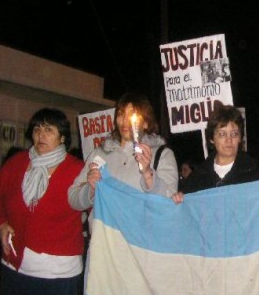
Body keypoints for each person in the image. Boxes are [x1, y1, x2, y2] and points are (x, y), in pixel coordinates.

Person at [0, 108, 84, 295]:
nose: (40, 135)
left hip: (55, 271)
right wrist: (1, 223)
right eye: (37, 129)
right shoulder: (17, 162)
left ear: (62, 136)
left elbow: (90, 203)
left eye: (48, 129)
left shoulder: (76, 169)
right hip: (14, 262)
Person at [69, 93, 178, 225]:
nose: (125, 121)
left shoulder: (162, 155)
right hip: (103, 241)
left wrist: (148, 175)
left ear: (145, 123)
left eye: (132, 115)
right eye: (121, 114)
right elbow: (73, 199)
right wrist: (90, 190)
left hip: (140, 241)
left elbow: (170, 202)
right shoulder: (99, 154)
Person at [172, 105, 259, 199]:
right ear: (211, 138)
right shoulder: (197, 178)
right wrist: (179, 200)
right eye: (222, 134)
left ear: (239, 138)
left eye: (234, 134)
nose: (229, 140)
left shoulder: (256, 172)